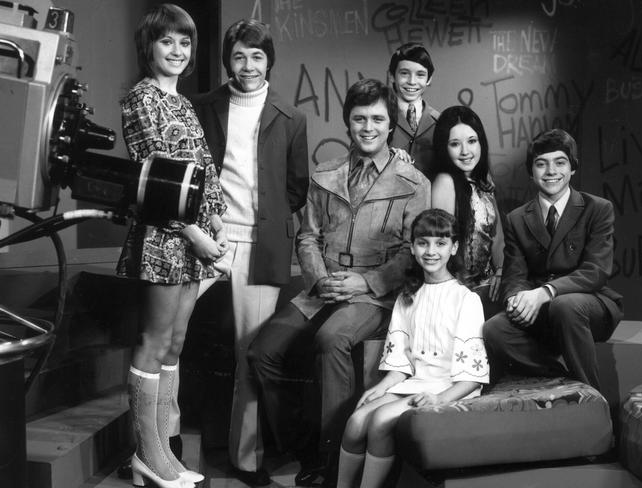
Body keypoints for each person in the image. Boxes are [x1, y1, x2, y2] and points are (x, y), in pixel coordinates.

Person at [248, 79, 430, 487]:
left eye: (378, 119)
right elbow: (307, 235)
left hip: (375, 297)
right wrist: (318, 279)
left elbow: (411, 252)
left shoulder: (413, 182)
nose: (368, 127)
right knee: (262, 353)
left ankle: (333, 464)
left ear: (391, 124)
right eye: (359, 118)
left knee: (332, 339)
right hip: (322, 288)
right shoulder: (325, 173)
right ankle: (307, 449)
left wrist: (365, 282)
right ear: (348, 122)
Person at [190, 18, 309, 486]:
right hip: (205, 238)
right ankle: (164, 449)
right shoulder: (204, 107)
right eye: (239, 56)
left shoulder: (292, 117)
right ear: (227, 61)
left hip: (261, 245)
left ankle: (246, 460)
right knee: (167, 339)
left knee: (249, 353)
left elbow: (295, 188)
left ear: (269, 61)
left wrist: (269, 219)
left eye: (257, 56)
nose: (248, 65)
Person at [117, 4, 228, 488]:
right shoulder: (140, 99)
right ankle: (148, 455)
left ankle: (164, 452)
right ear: (150, 47)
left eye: (185, 43)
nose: (178, 51)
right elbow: (153, 180)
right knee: (154, 341)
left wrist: (218, 221)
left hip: (195, 242)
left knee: (175, 344)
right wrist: (196, 234)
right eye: (168, 42)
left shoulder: (183, 103)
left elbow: (205, 169)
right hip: (163, 239)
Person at [336, 208, 489, 488]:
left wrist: (441, 399)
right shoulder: (408, 296)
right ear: (413, 247)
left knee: (380, 421)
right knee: (356, 422)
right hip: (414, 383)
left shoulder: (466, 299)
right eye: (423, 243)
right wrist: (381, 388)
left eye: (441, 243)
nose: (431, 251)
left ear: (454, 248)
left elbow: (470, 378)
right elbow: (400, 364)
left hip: (448, 386)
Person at [483, 129, 624, 389]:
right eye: (541, 164)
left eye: (560, 162)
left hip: (589, 306)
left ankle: (591, 397)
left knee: (565, 306)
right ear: (530, 171)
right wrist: (516, 299)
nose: (551, 171)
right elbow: (515, 275)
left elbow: (596, 271)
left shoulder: (598, 209)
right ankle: (562, 378)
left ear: (572, 169)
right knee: (494, 329)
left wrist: (546, 292)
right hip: (542, 313)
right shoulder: (516, 218)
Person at [431, 105, 504, 319]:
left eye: (472, 141)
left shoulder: (483, 182)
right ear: (444, 148)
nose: (465, 151)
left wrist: (501, 272)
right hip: (458, 291)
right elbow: (440, 248)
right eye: (455, 144)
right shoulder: (445, 183)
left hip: (490, 286)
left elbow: (498, 239)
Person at [387, 42, 439, 180]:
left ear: (429, 79)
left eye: (420, 75)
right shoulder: (377, 117)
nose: (412, 81)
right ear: (392, 76)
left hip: (430, 199)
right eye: (404, 73)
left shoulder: (440, 121)